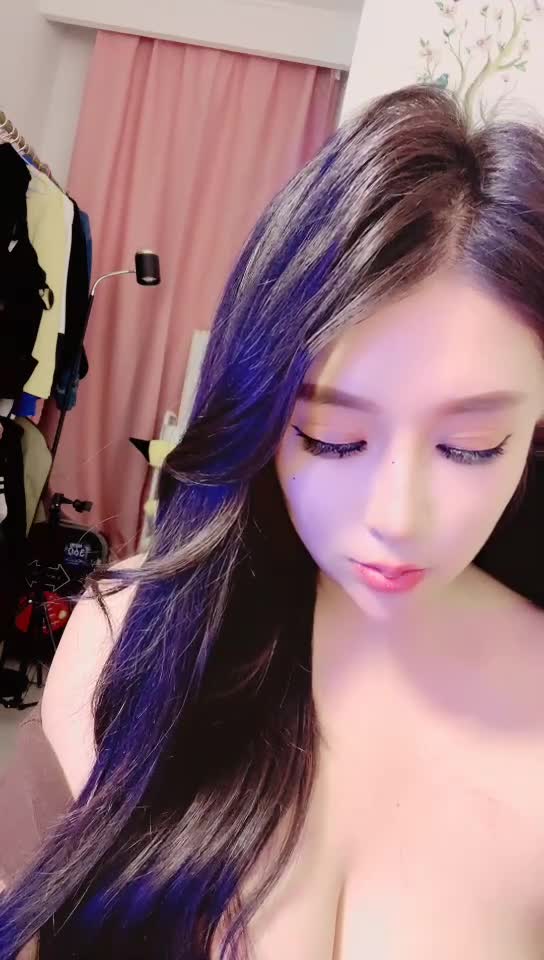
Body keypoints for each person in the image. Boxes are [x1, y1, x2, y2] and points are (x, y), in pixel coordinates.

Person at [2, 83, 544, 959]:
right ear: (258, 419)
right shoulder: (135, 630)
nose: (395, 518)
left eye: (470, 447)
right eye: (331, 438)